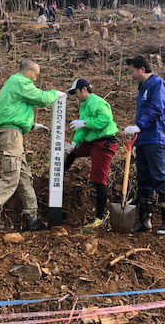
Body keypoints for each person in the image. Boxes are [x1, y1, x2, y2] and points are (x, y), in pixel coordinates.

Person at [0, 59, 66, 231]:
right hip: (11, 134)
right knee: (11, 176)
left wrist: (30, 125)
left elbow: (13, 109)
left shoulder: (12, 84)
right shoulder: (19, 81)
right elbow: (41, 98)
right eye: (35, 74)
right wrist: (54, 94)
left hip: (14, 133)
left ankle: (32, 216)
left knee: (24, 176)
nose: (35, 79)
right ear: (27, 70)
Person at [124, 56, 165, 235]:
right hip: (143, 139)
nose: (132, 76)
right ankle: (145, 218)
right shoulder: (143, 88)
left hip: (156, 136)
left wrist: (140, 125)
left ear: (142, 69)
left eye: (133, 72)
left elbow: (156, 109)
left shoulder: (157, 85)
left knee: (159, 176)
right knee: (144, 177)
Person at [64, 78, 119, 228]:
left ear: (83, 89)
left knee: (98, 178)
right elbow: (81, 129)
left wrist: (86, 123)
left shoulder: (97, 102)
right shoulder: (84, 106)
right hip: (92, 141)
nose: (75, 96)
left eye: (75, 92)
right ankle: (60, 173)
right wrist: (75, 142)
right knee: (73, 152)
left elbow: (105, 119)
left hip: (104, 142)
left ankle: (99, 218)